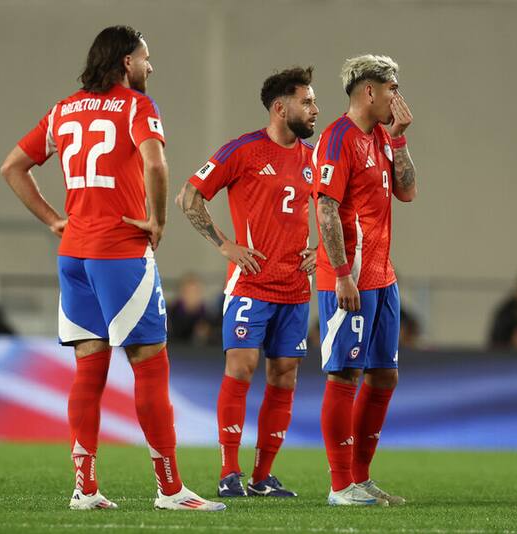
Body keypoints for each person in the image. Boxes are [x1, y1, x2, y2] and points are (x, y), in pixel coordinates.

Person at [0, 26, 224, 512]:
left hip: (74, 255)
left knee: (88, 371)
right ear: (126, 62)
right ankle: (170, 490)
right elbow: (157, 165)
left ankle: (85, 487)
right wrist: (158, 221)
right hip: (120, 251)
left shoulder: (62, 110)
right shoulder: (137, 107)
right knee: (150, 366)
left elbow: (12, 166)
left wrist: (53, 220)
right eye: (146, 58)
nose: (151, 67)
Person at [177, 67, 318, 498]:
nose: (315, 109)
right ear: (281, 107)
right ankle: (228, 473)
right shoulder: (243, 150)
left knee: (285, 375)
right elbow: (189, 196)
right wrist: (224, 245)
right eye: (306, 102)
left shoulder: (313, 159)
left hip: (296, 287)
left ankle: (262, 477)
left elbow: (337, 209)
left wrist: (326, 251)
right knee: (242, 367)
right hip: (250, 285)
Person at [314, 54, 416, 506]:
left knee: (385, 376)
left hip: (382, 276)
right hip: (350, 277)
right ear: (369, 91)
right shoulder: (337, 138)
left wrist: (400, 140)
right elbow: (326, 208)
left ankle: (361, 477)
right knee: (345, 374)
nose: (397, 96)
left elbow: (407, 191)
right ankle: (341, 486)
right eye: (392, 87)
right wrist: (340, 275)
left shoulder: (379, 136)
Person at [166, 273, 218, 344]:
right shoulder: (170, 314)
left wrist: (205, 336)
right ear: (181, 293)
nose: (192, 296)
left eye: (195, 292)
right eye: (188, 292)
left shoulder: (208, 317)